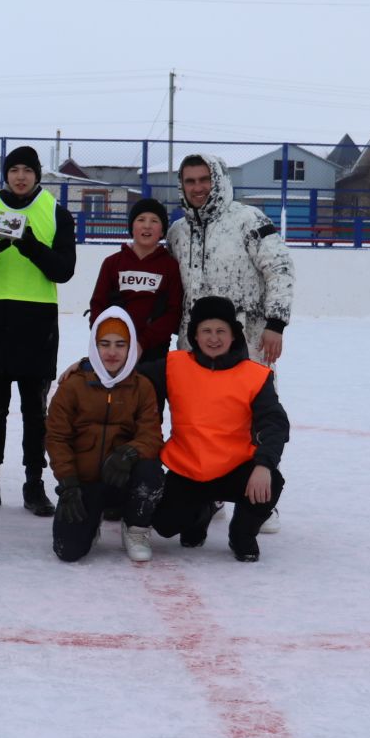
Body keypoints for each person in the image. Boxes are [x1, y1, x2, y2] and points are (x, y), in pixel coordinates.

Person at [0, 145, 77, 516]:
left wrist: (30, 247)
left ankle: (34, 484)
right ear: (6, 175)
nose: (20, 176)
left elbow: (63, 270)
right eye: (14, 170)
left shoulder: (56, 213)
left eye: (27, 170)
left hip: (37, 321)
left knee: (34, 412)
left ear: (38, 175)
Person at [151, 296, 289, 563]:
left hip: (235, 469)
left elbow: (275, 423)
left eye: (220, 331)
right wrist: (87, 365)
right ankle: (201, 512)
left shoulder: (255, 375)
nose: (213, 338)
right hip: (188, 469)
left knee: (271, 482)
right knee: (165, 525)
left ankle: (242, 534)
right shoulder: (173, 365)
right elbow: (127, 375)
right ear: (195, 334)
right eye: (206, 331)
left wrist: (264, 464)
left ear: (233, 335)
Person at [44, 308, 165, 563]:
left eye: (120, 345)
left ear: (131, 348)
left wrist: (129, 452)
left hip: (122, 478)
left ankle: (136, 527)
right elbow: (57, 437)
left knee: (151, 471)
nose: (112, 352)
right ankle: (91, 521)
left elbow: (151, 436)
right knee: (69, 551)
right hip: (84, 482)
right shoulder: (73, 386)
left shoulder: (142, 386)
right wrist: (68, 484)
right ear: (94, 346)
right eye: (105, 344)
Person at [167, 154, 293, 366]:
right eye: (190, 181)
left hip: (247, 343)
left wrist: (276, 324)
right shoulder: (177, 232)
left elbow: (280, 268)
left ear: (218, 180)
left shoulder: (249, 219)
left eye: (204, 179)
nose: (197, 187)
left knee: (247, 399)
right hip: (193, 346)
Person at [87, 197, 183, 369]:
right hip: (115, 351)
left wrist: (142, 343)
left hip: (154, 352)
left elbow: (173, 313)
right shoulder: (112, 263)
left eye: (154, 221)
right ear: (132, 227)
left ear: (162, 231)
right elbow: (98, 305)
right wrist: (108, 341)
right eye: (141, 220)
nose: (147, 225)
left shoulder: (170, 266)